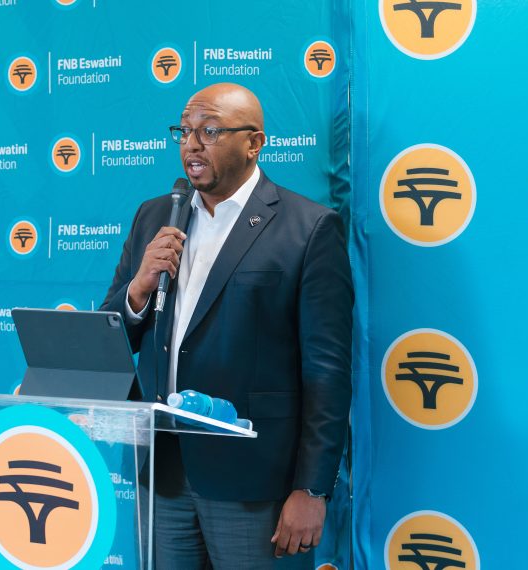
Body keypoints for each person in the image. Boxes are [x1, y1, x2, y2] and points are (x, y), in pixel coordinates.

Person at [101, 82, 352, 569]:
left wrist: (312, 488)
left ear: (254, 143)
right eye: (184, 131)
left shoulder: (308, 228)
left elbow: (327, 371)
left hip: (255, 481)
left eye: (210, 131)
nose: (192, 145)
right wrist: (138, 288)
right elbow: (113, 332)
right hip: (163, 472)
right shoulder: (155, 216)